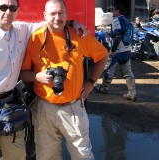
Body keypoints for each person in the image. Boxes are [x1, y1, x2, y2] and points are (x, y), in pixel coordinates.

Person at [0, 0, 87, 159]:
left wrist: (71, 22)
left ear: (17, 11)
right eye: (3, 7)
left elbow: (49, 22)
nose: (8, 12)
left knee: (17, 155)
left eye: (12, 8)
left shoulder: (21, 30)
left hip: (11, 104)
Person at [19, 0, 108, 159]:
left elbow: (102, 56)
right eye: (52, 14)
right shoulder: (36, 38)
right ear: (45, 16)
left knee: (83, 155)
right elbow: (23, 73)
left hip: (73, 108)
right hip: (44, 108)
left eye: (61, 13)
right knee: (47, 156)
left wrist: (91, 82)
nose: (57, 18)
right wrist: (37, 77)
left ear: (67, 15)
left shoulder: (79, 34)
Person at [94, 4, 137, 101]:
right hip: (127, 50)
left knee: (108, 69)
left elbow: (117, 37)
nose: (112, 12)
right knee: (127, 72)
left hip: (118, 51)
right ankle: (132, 92)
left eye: (113, 10)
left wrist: (112, 51)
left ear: (117, 11)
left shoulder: (116, 20)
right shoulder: (127, 20)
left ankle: (104, 88)